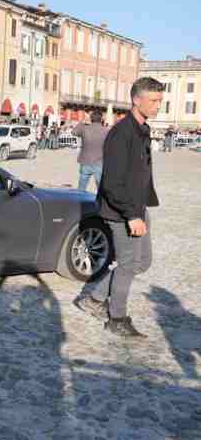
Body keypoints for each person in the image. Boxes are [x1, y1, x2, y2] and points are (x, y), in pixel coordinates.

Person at [73, 77, 162, 338]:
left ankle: (94, 299)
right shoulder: (121, 133)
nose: (158, 105)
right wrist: (132, 215)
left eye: (160, 100)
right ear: (137, 100)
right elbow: (112, 182)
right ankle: (117, 318)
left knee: (141, 262)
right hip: (120, 212)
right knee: (128, 263)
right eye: (154, 100)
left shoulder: (141, 129)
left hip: (136, 207)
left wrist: (142, 208)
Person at [73, 111, 110, 192]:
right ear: (101, 119)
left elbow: (74, 132)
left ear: (91, 119)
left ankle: (80, 203)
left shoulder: (84, 128)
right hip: (99, 162)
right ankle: (100, 204)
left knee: (81, 188)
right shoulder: (106, 131)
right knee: (101, 190)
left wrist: (82, 122)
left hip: (85, 161)